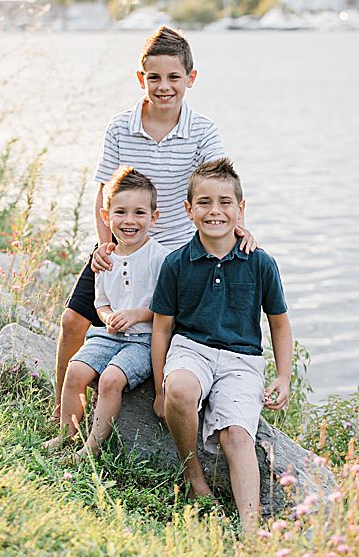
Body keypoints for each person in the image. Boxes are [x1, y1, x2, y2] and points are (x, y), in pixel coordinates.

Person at [50, 25, 249, 419]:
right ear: (141, 78)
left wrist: (239, 227)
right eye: (154, 77)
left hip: (172, 255)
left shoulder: (202, 131)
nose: (164, 86)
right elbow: (103, 194)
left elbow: (221, 186)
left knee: (164, 329)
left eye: (174, 77)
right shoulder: (120, 127)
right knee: (73, 319)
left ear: (190, 79)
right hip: (121, 242)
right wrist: (106, 245)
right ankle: (60, 409)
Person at [150, 158, 292, 535]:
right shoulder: (176, 263)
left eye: (225, 202)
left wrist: (284, 376)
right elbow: (162, 330)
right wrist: (158, 388)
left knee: (237, 435)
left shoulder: (260, 262)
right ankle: (197, 482)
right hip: (190, 347)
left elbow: (279, 324)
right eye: (204, 202)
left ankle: (250, 532)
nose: (215, 211)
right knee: (179, 390)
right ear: (188, 209)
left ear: (240, 209)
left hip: (241, 360)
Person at [44, 166, 169, 459]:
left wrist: (137, 315)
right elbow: (100, 302)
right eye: (121, 212)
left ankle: (91, 448)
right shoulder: (105, 258)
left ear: (154, 217)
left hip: (143, 341)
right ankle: (66, 434)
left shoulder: (160, 258)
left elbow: (167, 307)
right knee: (75, 370)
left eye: (139, 213)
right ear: (106, 216)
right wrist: (107, 316)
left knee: (111, 379)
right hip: (109, 335)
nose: (129, 221)